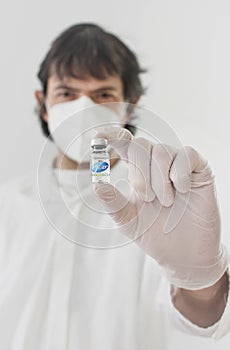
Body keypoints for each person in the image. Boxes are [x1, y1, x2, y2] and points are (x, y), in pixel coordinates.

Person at [0, 23, 230, 350]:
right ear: (43, 103)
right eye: (67, 93)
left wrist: (200, 278)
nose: (83, 108)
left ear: (130, 105)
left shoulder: (163, 201)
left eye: (103, 94)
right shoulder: (6, 207)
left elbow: (204, 322)